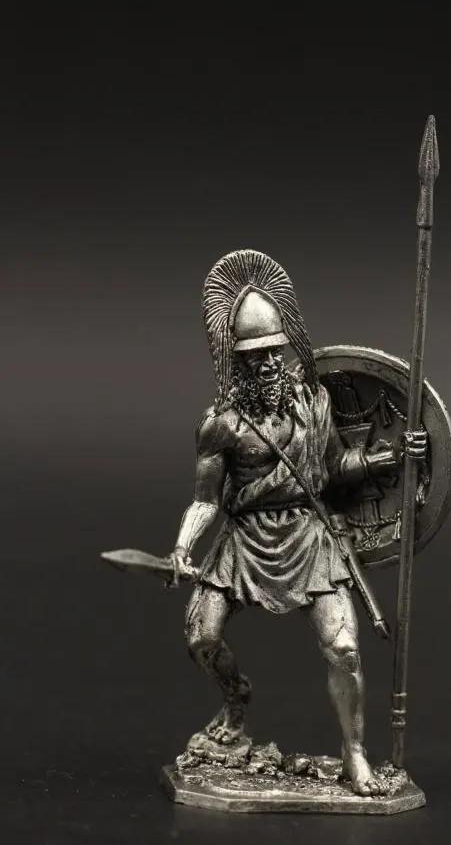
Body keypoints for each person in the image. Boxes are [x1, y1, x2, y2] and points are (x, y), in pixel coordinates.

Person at [169, 250, 427, 796]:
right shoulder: (220, 425)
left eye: (274, 351)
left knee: (346, 650)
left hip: (308, 537)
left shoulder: (314, 404)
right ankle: (235, 695)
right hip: (245, 539)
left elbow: (330, 470)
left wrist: (382, 459)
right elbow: (205, 501)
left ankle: (355, 755)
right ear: (236, 361)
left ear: (286, 349)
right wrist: (183, 546)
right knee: (201, 636)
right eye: (254, 355)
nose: (267, 363)